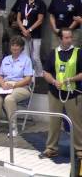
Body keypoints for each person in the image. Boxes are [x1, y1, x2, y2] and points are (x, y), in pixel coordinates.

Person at [41, 28, 82, 159]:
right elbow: (45, 72)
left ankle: (79, 149)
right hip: (55, 93)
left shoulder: (79, 53)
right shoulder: (53, 53)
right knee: (54, 121)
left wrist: (71, 79)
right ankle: (51, 148)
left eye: (71, 37)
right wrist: (53, 81)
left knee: (76, 123)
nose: (70, 39)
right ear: (60, 39)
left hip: (73, 93)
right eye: (66, 37)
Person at [0, 36, 33, 136]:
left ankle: (13, 127)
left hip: (21, 87)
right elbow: (0, 75)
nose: (14, 48)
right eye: (13, 45)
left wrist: (14, 86)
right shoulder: (6, 59)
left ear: (22, 48)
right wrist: (3, 84)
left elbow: (27, 79)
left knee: (9, 99)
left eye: (17, 46)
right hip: (6, 86)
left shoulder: (26, 60)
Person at [16, 0, 46, 77]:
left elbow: (40, 20)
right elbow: (18, 18)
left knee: (35, 57)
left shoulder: (40, 3)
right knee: (26, 56)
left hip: (35, 34)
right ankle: (28, 75)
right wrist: (23, 30)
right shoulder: (22, 1)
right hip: (23, 34)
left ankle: (40, 75)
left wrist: (29, 30)